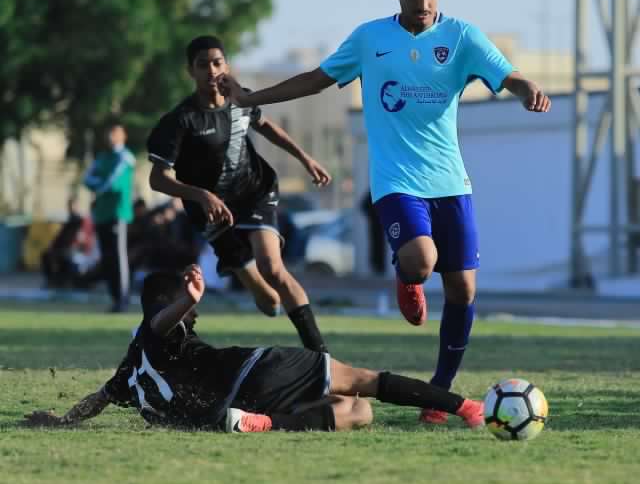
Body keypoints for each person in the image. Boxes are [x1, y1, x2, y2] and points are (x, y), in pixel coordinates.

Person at [217, 0, 551, 426]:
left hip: (451, 182)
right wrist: (251, 97)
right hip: (396, 181)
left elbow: (509, 76)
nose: (424, 5)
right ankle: (406, 275)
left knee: (462, 290)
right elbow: (315, 79)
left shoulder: (461, 37)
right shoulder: (371, 38)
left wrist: (528, 91)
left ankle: (438, 393)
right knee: (421, 259)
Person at [24, 265, 484, 433]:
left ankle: (264, 424)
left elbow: (99, 399)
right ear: (167, 305)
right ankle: (465, 406)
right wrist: (187, 300)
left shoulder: (131, 370)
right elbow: (160, 321)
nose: (195, 317)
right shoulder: (157, 330)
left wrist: (62, 420)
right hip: (253, 369)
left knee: (358, 412)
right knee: (368, 381)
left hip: (228, 407)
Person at [146, 35, 331, 352]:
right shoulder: (179, 121)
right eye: (202, 65)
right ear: (190, 71)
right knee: (269, 302)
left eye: (217, 62)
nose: (211, 70)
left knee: (273, 268)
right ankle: (243, 272)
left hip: (253, 192)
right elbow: (158, 180)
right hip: (210, 211)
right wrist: (202, 195)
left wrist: (305, 158)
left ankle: (321, 359)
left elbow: (269, 127)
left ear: (226, 65)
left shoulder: (240, 101)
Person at [83, 122, 136, 312]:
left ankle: (123, 298)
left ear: (123, 136)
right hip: (102, 214)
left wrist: (98, 186)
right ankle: (114, 298)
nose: (110, 137)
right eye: (108, 133)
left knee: (118, 256)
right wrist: (98, 185)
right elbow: (86, 179)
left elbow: (112, 183)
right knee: (106, 257)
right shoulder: (102, 157)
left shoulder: (125, 158)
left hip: (118, 214)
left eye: (114, 133)